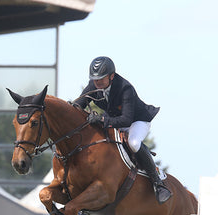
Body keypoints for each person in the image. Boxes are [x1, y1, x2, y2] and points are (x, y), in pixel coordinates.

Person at [73, 56, 171, 204]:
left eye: (101, 79)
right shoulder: (93, 86)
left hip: (137, 120)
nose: (97, 82)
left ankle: (158, 183)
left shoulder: (125, 88)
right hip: (114, 119)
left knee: (133, 143)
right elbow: (77, 105)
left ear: (111, 76)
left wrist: (101, 119)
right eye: (94, 79)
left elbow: (126, 120)